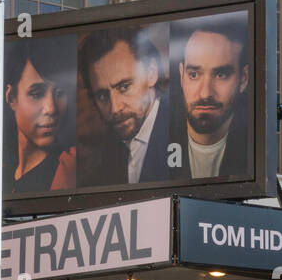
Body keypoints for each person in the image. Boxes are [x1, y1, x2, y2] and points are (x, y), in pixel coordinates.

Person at [78, 28, 173, 185]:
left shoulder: (183, 132)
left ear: (151, 73)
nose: (115, 108)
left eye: (124, 87)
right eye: (102, 95)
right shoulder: (106, 153)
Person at [171, 19, 250, 179]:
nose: (205, 93)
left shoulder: (253, 149)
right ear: (181, 75)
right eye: (194, 75)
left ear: (243, 79)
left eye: (221, 75)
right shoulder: (160, 140)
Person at [2, 37, 77, 195]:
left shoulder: (68, 171)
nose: (51, 108)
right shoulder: (0, 175)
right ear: (11, 97)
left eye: (60, 93)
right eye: (37, 94)